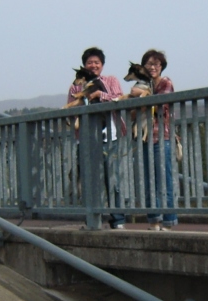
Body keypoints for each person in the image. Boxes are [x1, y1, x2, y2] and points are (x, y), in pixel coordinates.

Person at [67, 47, 127, 229]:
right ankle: (92, 220)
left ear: (102, 65)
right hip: (85, 139)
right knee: (89, 180)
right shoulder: (76, 86)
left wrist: (99, 94)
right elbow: (71, 108)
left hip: (110, 137)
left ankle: (118, 220)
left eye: (97, 62)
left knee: (113, 179)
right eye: (89, 62)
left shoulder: (110, 80)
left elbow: (119, 98)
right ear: (84, 65)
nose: (93, 65)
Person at [130, 49, 178, 230]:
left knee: (164, 181)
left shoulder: (165, 82)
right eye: (149, 64)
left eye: (156, 64)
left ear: (162, 66)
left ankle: (168, 221)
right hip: (143, 138)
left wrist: (139, 97)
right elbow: (133, 112)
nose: (152, 67)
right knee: (148, 182)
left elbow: (160, 103)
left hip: (161, 137)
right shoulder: (141, 85)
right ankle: (154, 221)